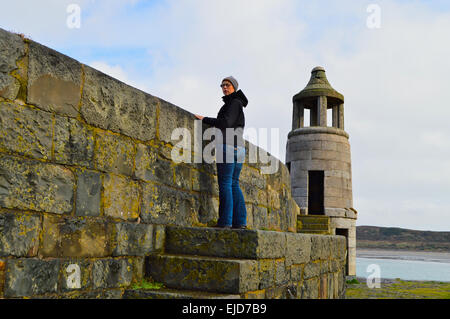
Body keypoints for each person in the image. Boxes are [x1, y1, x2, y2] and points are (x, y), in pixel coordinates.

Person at [194, 76, 248, 229]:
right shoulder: (237, 104)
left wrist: (204, 118)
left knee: (226, 184)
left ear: (234, 88)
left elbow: (226, 123)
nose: (225, 88)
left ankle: (225, 222)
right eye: (222, 85)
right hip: (239, 148)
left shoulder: (234, 103)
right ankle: (240, 222)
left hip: (228, 146)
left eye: (228, 85)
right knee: (233, 184)